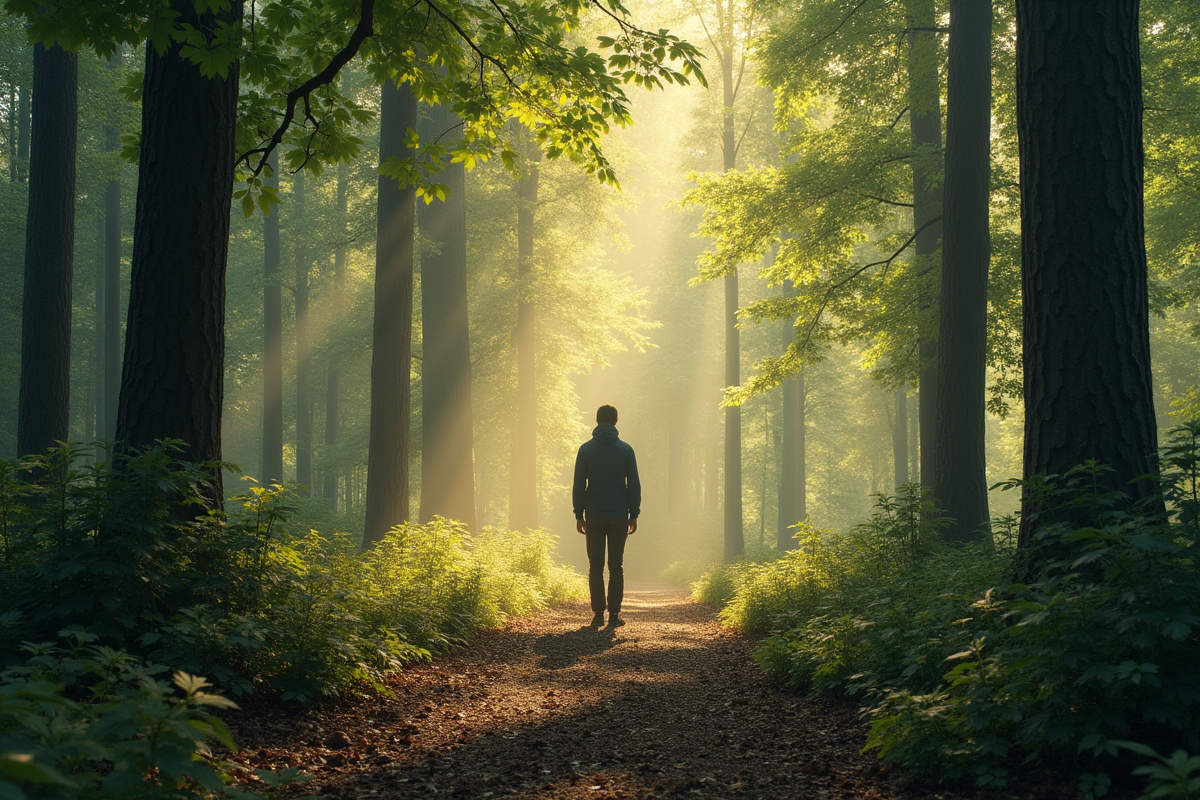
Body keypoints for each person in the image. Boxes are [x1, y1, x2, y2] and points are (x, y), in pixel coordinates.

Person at [572, 404, 641, 628]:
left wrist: (578, 513)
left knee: (595, 565)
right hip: (619, 514)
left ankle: (598, 612)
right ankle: (614, 614)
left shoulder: (585, 450)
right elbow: (634, 484)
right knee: (616, 565)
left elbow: (579, 484)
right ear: (615, 421)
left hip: (593, 514)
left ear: (597, 420)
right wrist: (634, 513)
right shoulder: (626, 450)